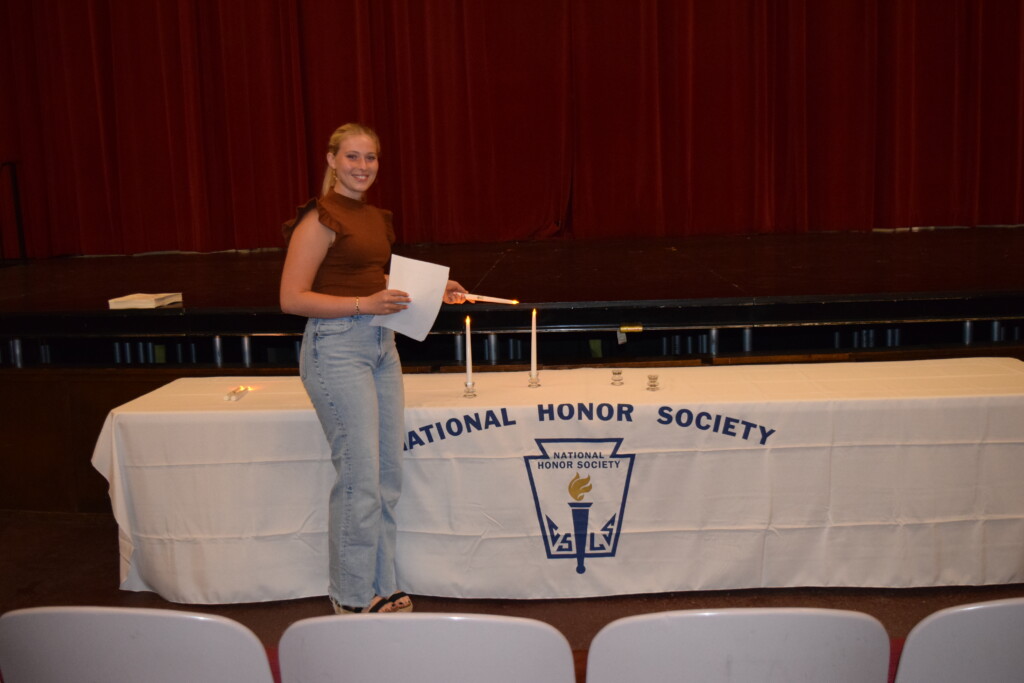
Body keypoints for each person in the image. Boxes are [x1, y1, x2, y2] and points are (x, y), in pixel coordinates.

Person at [280, 122, 467, 614]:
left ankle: (379, 584)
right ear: (331, 160)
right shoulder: (319, 218)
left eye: (371, 158)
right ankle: (352, 595)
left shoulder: (375, 218)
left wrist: (433, 291)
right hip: (337, 348)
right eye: (353, 158)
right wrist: (365, 303)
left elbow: (368, 276)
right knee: (361, 477)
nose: (363, 167)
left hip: (382, 347)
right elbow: (291, 298)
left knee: (386, 476)